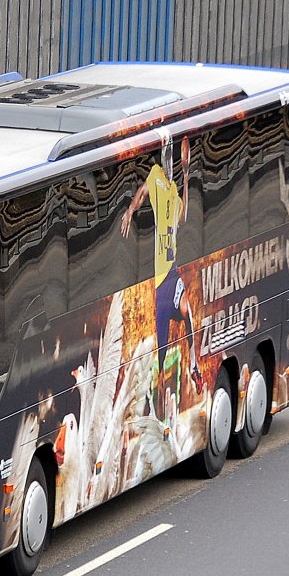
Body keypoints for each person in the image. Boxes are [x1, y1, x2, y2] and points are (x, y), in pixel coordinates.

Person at [120, 136, 203, 424]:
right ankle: (158, 403)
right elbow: (142, 191)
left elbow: (183, 217)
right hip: (159, 283)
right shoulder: (156, 177)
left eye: (172, 159)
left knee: (188, 311)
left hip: (173, 272)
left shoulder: (174, 188)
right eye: (167, 157)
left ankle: (193, 363)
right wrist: (131, 210)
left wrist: (187, 177)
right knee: (161, 348)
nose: (169, 163)